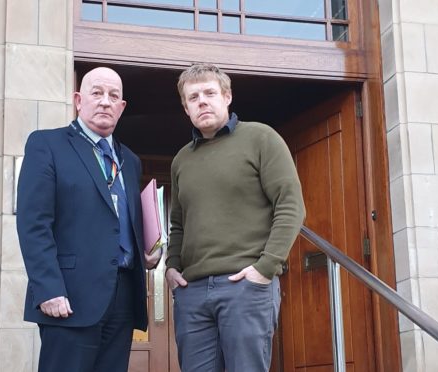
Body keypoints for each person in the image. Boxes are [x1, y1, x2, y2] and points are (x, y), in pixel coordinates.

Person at [16, 67, 161, 372]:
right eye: (97, 93)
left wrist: (149, 250)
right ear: (79, 100)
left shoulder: (130, 161)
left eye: (114, 96)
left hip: (122, 297)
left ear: (122, 108)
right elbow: (34, 224)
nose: (105, 101)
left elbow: (124, 220)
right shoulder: (47, 145)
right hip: (68, 296)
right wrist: (48, 288)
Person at [165, 63, 306, 372]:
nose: (202, 101)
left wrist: (265, 267)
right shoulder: (181, 159)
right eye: (193, 97)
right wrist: (172, 267)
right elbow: (179, 222)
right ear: (186, 107)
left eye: (209, 93)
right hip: (192, 292)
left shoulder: (261, 138)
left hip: (245, 285)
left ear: (227, 97)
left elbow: (290, 205)